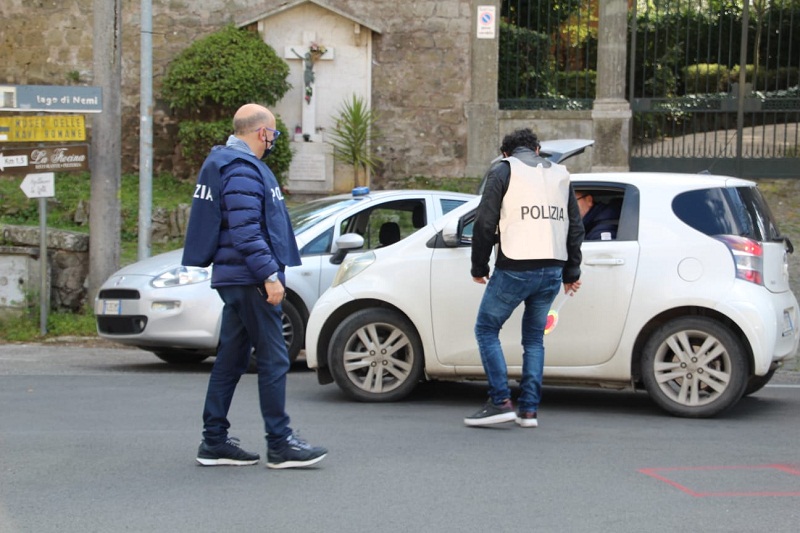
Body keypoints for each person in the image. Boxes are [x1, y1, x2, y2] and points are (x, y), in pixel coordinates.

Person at [182, 103, 327, 468]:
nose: (273, 141)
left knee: (230, 360)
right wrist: (269, 274)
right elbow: (246, 229)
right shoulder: (243, 169)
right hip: (250, 278)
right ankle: (280, 443)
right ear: (262, 133)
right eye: (273, 134)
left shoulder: (226, 163)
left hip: (235, 277)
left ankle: (213, 442)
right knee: (275, 357)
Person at [466, 128, 584, 428]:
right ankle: (529, 411)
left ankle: (500, 401)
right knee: (533, 340)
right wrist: (571, 272)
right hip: (552, 269)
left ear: (506, 152)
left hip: (515, 267)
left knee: (486, 329)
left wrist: (479, 267)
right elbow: (574, 227)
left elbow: (484, 222)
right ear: (538, 148)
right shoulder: (560, 174)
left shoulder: (504, 170)